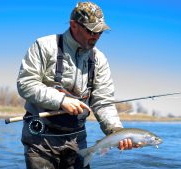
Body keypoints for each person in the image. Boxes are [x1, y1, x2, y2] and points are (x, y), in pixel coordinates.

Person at [17, 2, 136, 169]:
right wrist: (61, 100)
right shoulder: (43, 46)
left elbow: (103, 102)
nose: (96, 36)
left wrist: (115, 132)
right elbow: (25, 84)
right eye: (91, 30)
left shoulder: (99, 59)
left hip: (77, 139)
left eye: (100, 31)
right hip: (40, 139)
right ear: (74, 25)